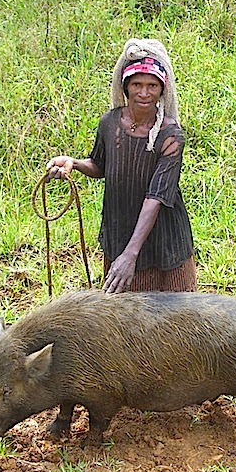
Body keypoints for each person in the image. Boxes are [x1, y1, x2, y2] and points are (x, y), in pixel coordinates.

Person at [46, 38, 196, 294]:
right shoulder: (110, 122)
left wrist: (130, 255)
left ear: (162, 89)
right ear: (125, 87)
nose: (144, 93)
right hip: (120, 229)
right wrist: (74, 164)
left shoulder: (170, 135)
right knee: (124, 324)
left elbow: (156, 198)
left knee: (172, 319)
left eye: (152, 85)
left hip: (163, 238)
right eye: (137, 84)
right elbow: (99, 165)